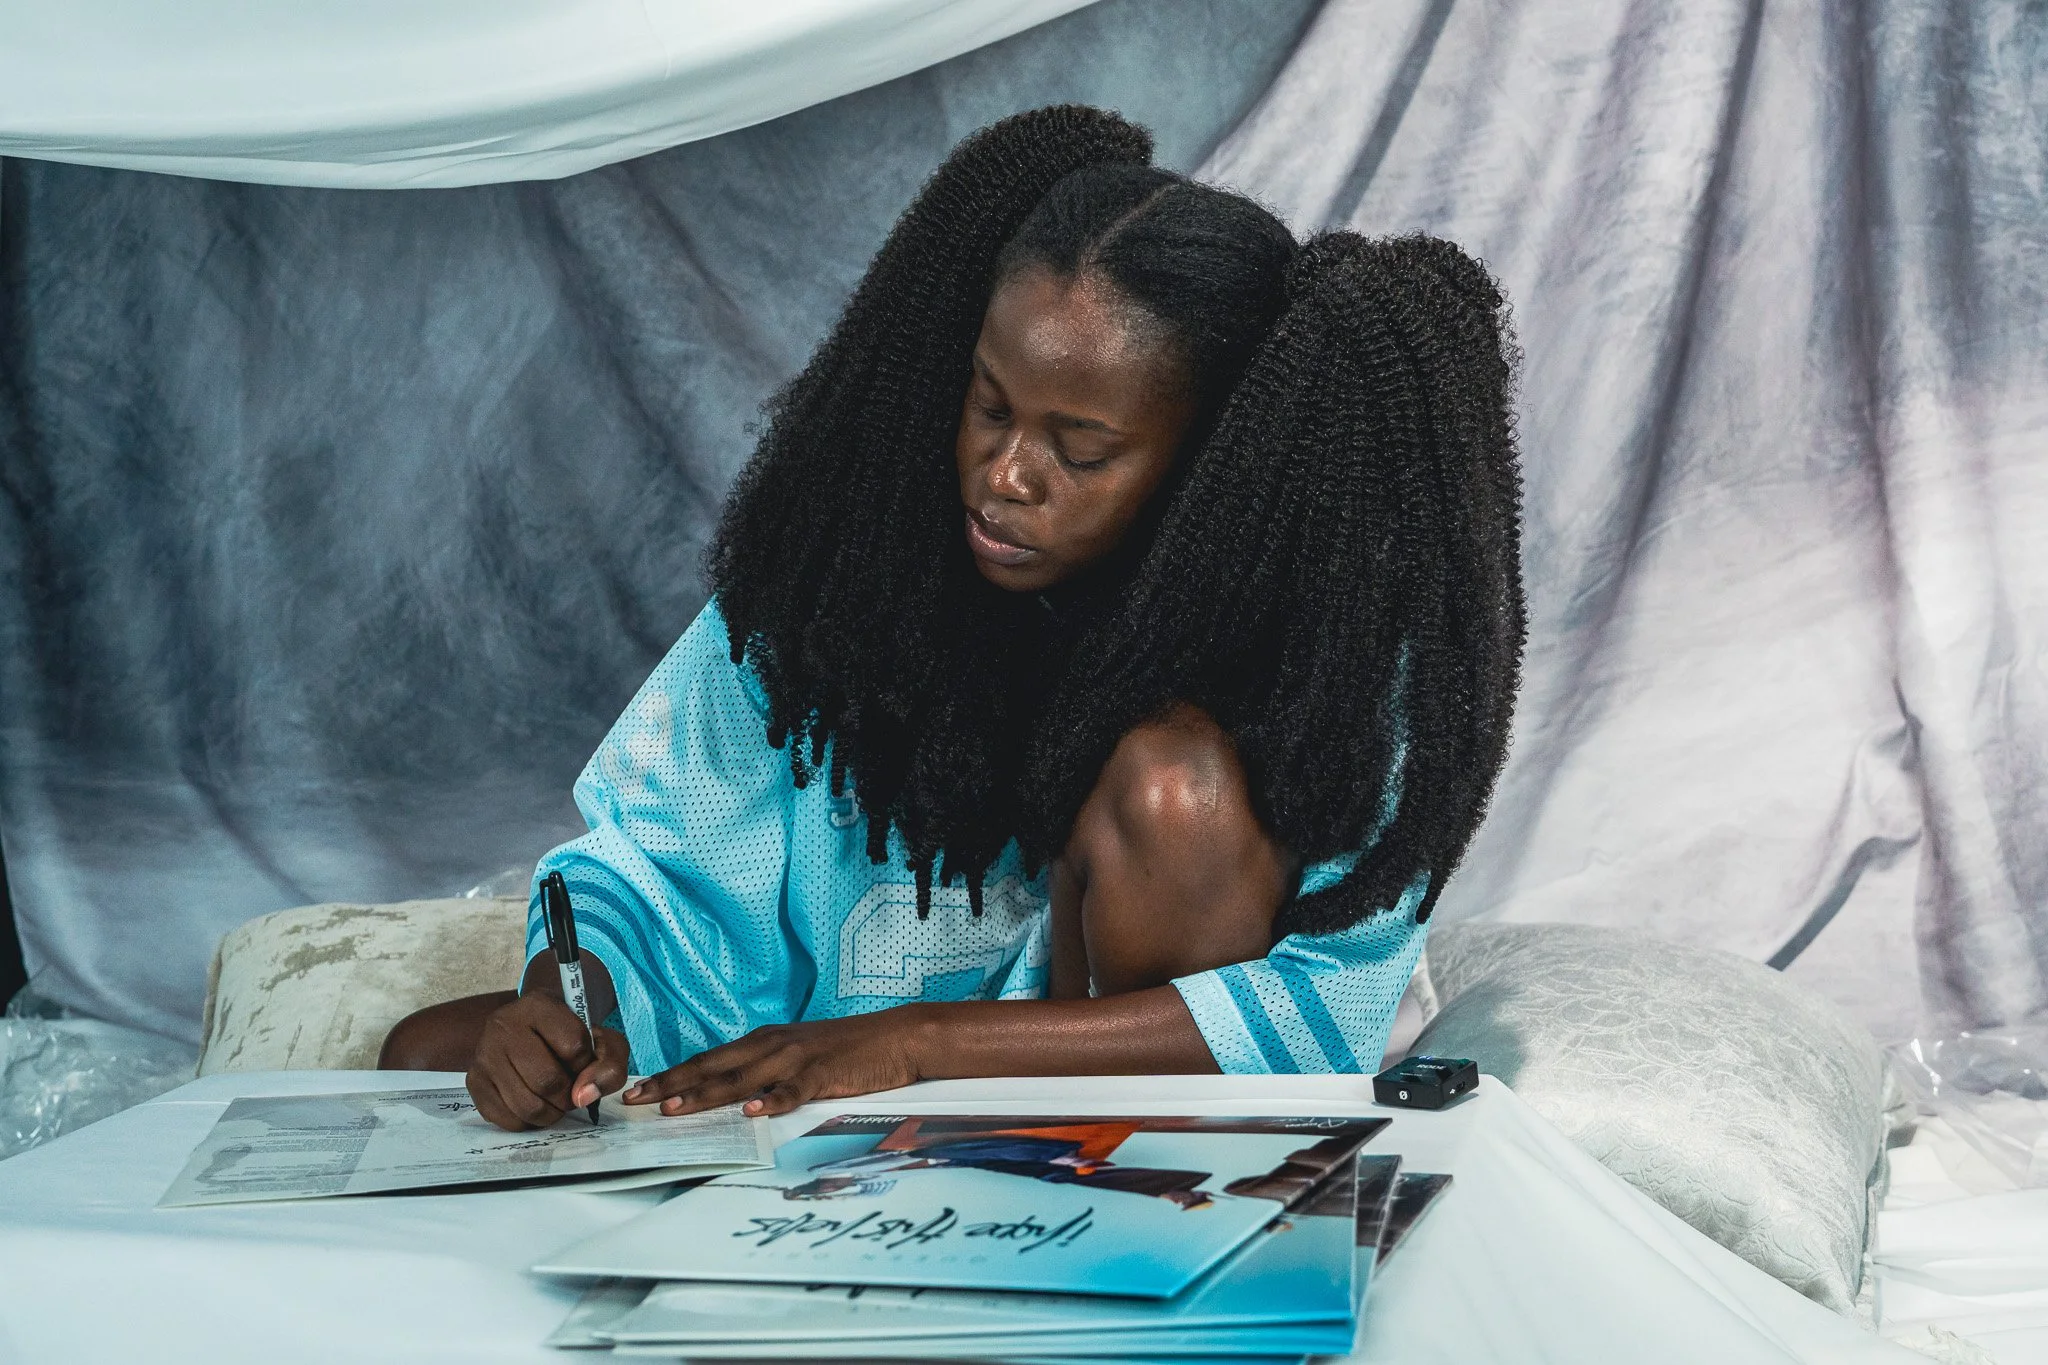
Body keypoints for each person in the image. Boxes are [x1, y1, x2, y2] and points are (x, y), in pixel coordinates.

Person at [379, 105, 1525, 1131]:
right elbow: (652, 866)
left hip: (1064, 1088)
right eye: (988, 406)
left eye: (1080, 452)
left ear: (1208, 469)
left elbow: (1318, 1007)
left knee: (1183, 793)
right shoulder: (842, 584)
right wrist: (561, 997)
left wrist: (914, 1049)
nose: (1006, 476)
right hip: (829, 1047)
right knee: (432, 1058)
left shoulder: (1306, 665)